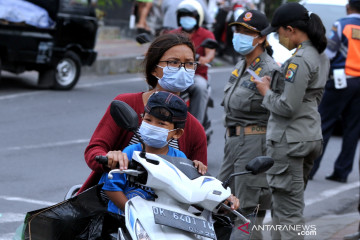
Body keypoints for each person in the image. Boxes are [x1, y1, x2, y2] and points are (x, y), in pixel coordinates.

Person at [78, 33, 208, 194]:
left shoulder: (194, 129)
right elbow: (94, 150)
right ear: (154, 69)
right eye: (173, 63)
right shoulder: (126, 104)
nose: (182, 69)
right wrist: (109, 159)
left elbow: (200, 185)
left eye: (189, 64)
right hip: (112, 202)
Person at [254, 2, 330, 239]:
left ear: (290, 29)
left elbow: (287, 106)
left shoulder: (298, 61)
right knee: (286, 205)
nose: (278, 38)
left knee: (288, 213)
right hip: (307, 135)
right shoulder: (320, 54)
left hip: (290, 140)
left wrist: (266, 91)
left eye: (278, 33)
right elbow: (309, 97)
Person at [217, 10, 281, 240]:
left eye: (247, 32)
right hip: (232, 144)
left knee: (248, 211)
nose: (240, 36)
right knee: (219, 201)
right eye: (238, 30)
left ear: (262, 37)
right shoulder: (241, 65)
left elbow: (282, 110)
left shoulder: (271, 70)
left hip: (255, 144)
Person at [100, 91, 207, 214]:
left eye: (161, 123)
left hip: (159, 227)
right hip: (123, 222)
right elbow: (111, 188)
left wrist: (197, 172)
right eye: (148, 120)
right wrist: (132, 212)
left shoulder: (180, 159)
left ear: (177, 133)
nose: (152, 126)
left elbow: (191, 193)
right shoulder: (130, 152)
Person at [309, 0, 360, 183]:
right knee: (353, 129)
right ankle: (342, 172)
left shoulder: (341, 24)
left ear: (348, 7)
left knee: (324, 124)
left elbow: (329, 53)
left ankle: (310, 169)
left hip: (341, 80)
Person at [170, 0, 216, 125]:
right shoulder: (172, 34)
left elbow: (210, 53)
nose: (187, 18)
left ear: (197, 18)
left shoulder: (206, 34)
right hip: (173, 75)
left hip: (196, 75)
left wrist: (204, 59)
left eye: (190, 16)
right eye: (184, 16)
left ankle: (196, 126)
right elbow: (159, 49)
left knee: (200, 87)